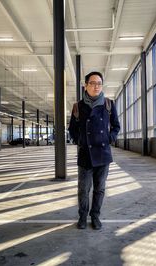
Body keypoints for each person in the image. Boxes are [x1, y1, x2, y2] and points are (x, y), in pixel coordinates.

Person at [69, 71, 120, 230]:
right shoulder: (78, 106)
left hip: (103, 154)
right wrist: (80, 141)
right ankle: (83, 216)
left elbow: (116, 126)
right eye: (93, 83)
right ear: (86, 85)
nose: (96, 86)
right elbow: (72, 129)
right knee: (83, 189)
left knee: (100, 188)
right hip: (85, 154)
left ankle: (95, 216)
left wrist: (110, 138)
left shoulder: (108, 104)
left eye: (99, 83)